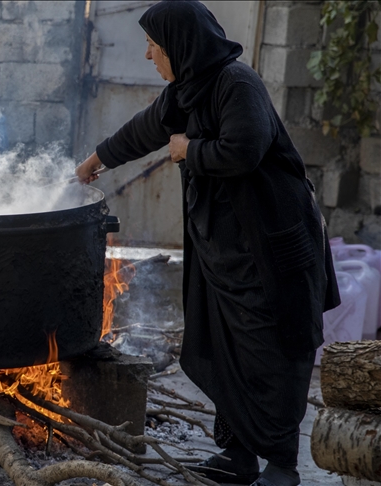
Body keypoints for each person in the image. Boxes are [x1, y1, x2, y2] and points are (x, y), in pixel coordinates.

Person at [75, 2, 341, 486]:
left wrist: (188, 150)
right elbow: (145, 129)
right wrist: (96, 161)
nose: (148, 55)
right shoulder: (187, 89)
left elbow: (244, 150)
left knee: (271, 350)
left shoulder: (237, 84)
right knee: (223, 348)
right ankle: (238, 455)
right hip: (224, 249)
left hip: (269, 246)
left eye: (153, 46)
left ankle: (282, 465)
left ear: (180, 46)